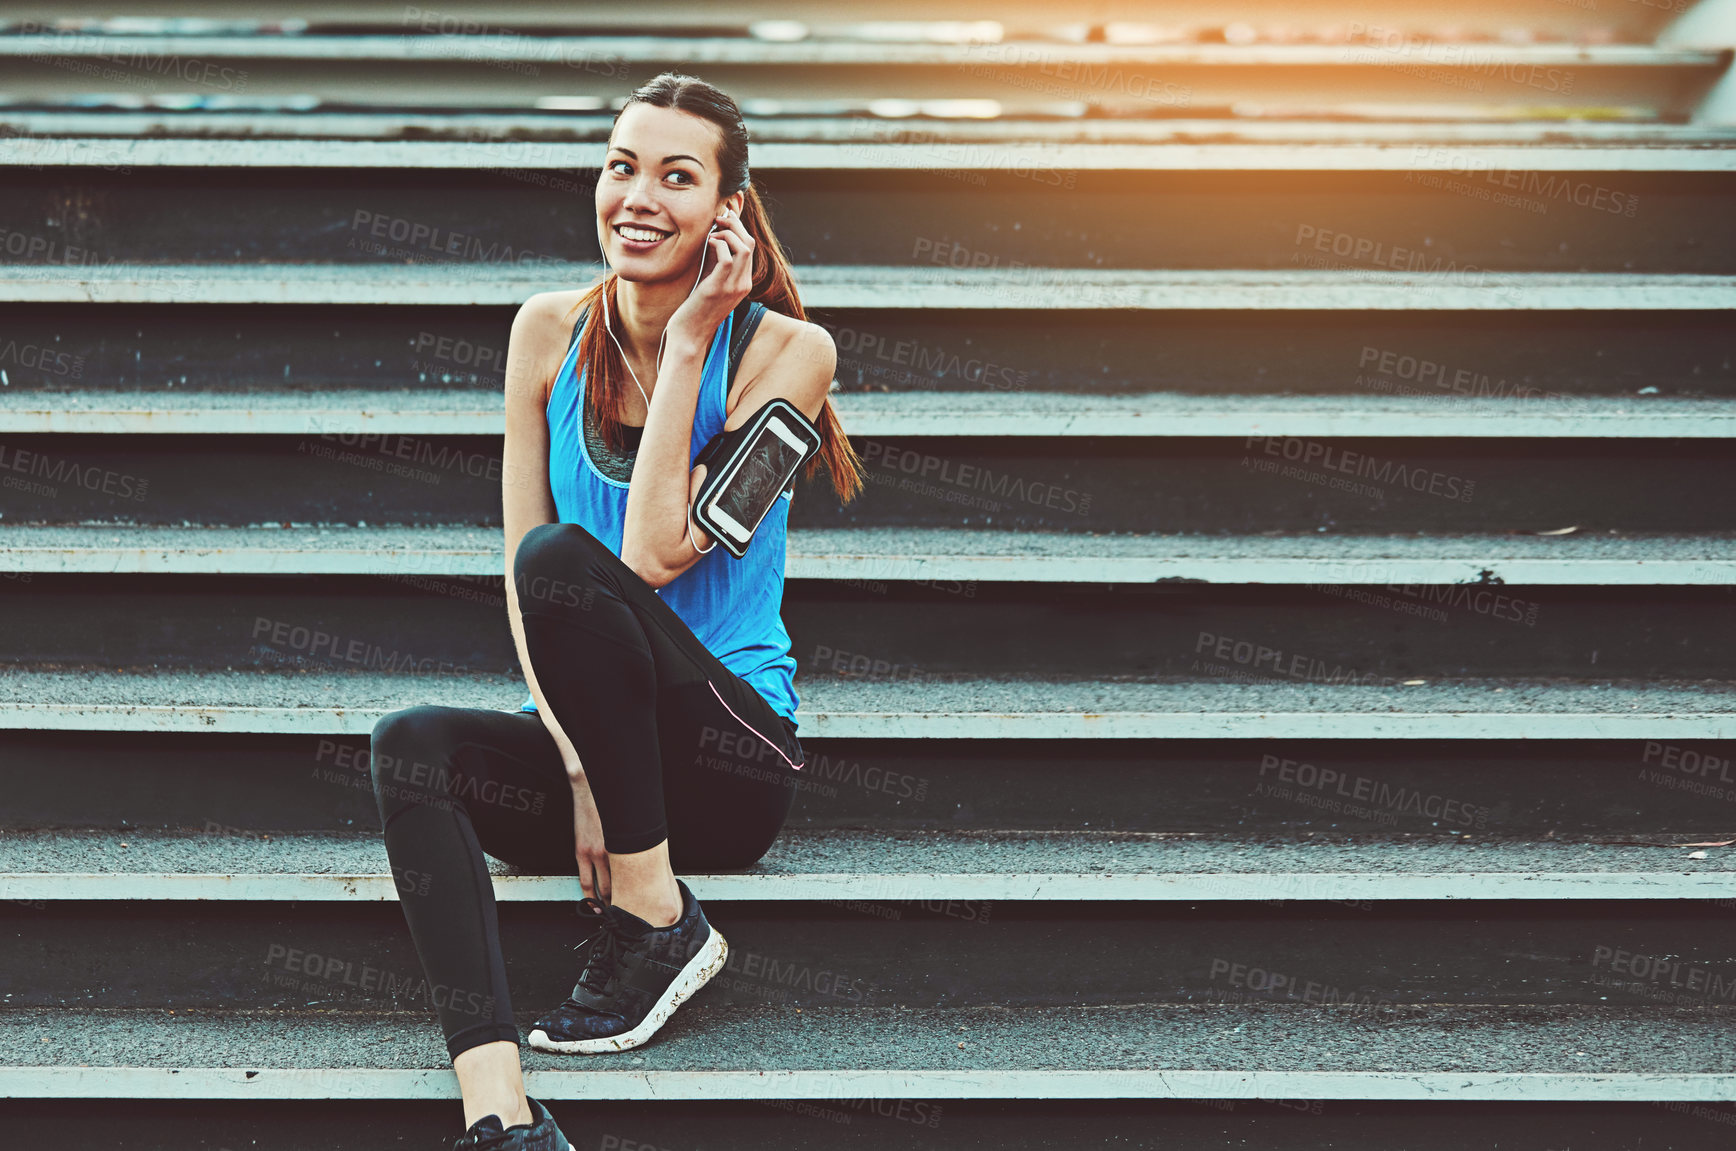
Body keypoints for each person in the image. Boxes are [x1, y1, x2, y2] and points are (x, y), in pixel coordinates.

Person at [368, 71, 864, 1149]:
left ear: (726, 209)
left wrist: (691, 337)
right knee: (410, 742)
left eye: (677, 177)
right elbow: (516, 574)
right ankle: (499, 1112)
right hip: (607, 758)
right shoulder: (544, 332)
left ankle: (656, 915)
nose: (637, 197)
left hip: (730, 763)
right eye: (620, 165)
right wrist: (580, 764)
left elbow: (645, 554)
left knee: (572, 557)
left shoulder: (789, 352)